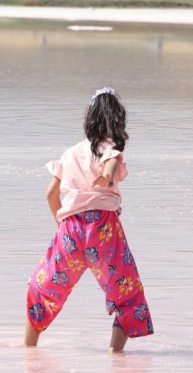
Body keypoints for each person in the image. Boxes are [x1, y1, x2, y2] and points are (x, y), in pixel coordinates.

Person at [24, 87, 154, 352]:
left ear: (90, 119)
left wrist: (62, 226)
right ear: (117, 120)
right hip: (103, 230)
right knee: (126, 292)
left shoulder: (71, 153)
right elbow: (110, 165)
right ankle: (115, 354)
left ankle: (29, 347)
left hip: (70, 231)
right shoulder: (110, 148)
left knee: (45, 286)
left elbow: (50, 195)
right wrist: (106, 177)